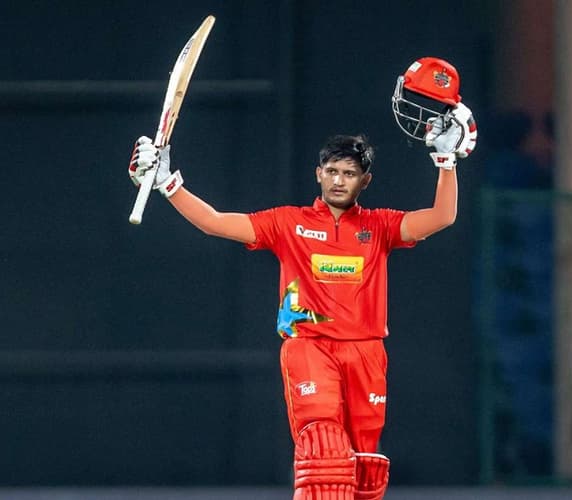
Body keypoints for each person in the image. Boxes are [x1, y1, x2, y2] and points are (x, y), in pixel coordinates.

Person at [128, 58, 476, 499]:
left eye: (349, 173)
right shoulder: (288, 224)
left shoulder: (380, 226)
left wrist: (447, 162)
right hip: (310, 347)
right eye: (332, 171)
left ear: (365, 180)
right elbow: (215, 222)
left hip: (367, 351)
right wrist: (168, 184)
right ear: (318, 174)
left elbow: (443, 217)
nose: (339, 180)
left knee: (365, 468)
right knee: (323, 448)